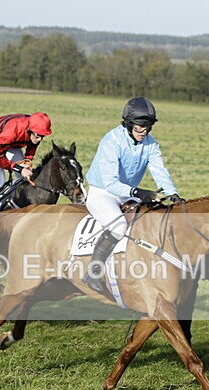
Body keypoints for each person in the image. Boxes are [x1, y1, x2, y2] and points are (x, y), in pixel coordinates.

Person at [83, 96, 183, 292]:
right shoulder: (112, 141)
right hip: (103, 193)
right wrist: (138, 192)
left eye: (147, 128)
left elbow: (159, 171)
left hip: (127, 195)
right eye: (139, 127)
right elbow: (111, 183)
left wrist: (173, 194)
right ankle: (93, 272)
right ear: (128, 125)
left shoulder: (151, 144)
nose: (143, 131)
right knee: (119, 226)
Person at [0, 112, 53, 205]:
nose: (40, 139)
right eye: (37, 136)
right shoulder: (10, 133)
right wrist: (20, 169)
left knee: (25, 178)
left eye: (42, 136)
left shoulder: (35, 130)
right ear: (30, 130)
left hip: (12, 141)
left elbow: (32, 147)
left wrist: (27, 162)